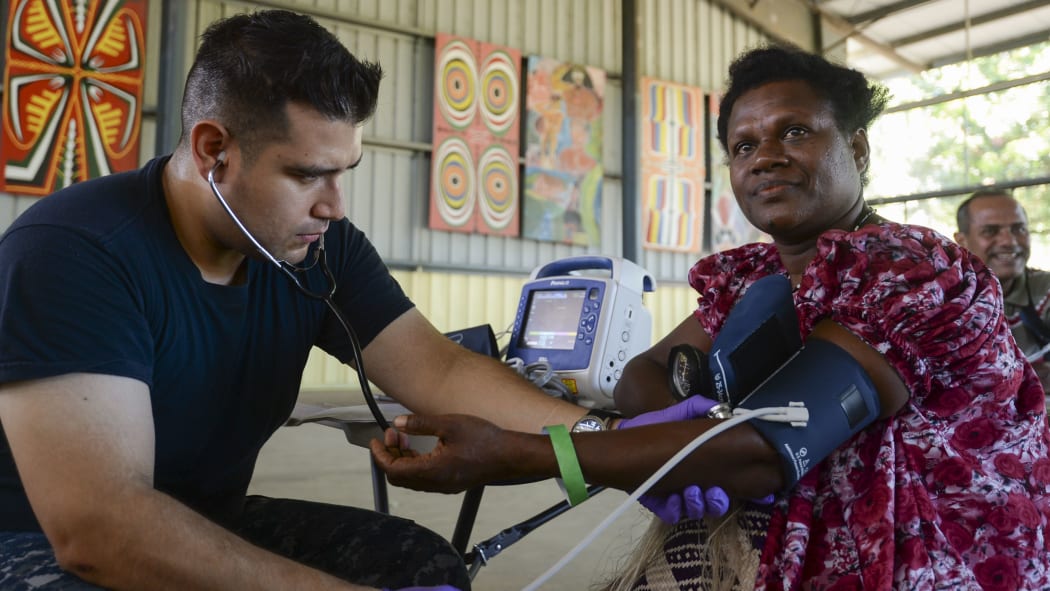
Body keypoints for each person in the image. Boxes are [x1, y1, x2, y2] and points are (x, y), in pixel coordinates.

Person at [371, 44, 1050, 590]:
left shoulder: (910, 269)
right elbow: (646, 371)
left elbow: (765, 451)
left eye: (795, 131)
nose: (767, 156)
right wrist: (683, 424)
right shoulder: (753, 273)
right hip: (801, 528)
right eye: (744, 146)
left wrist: (519, 451)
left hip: (928, 550)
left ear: (860, 151)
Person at [0, 9, 613, 590]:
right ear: (215, 150)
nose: (333, 206)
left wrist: (610, 444)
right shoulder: (75, 253)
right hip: (38, 540)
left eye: (344, 171)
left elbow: (441, 369)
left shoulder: (318, 248)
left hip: (205, 516)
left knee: (421, 566)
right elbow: (99, 527)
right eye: (305, 175)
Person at [955, 189, 1050, 403]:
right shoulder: (944, 301)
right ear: (962, 240)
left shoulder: (1044, 290)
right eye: (990, 231)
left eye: (1019, 229)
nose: (1009, 241)